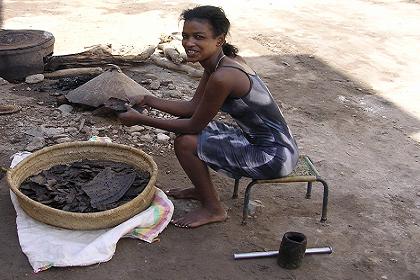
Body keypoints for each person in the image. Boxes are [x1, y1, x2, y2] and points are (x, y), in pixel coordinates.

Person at [118, 5, 299, 228]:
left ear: (219, 40)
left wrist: (141, 119)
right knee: (189, 135)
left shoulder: (223, 76)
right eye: (185, 36)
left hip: (273, 156)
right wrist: (149, 100)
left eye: (198, 37)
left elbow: (193, 124)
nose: (189, 43)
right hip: (275, 145)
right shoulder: (219, 63)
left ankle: (214, 209)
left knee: (186, 142)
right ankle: (201, 190)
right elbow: (194, 106)